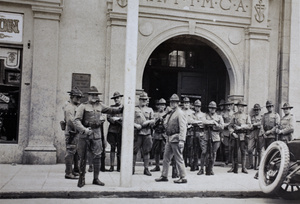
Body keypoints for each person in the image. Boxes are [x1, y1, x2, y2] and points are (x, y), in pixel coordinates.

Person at [74, 86, 123, 188]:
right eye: (92, 95)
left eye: (96, 95)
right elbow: (76, 121)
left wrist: (122, 107)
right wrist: (84, 130)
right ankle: (82, 178)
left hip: (96, 135)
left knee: (98, 156)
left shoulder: (100, 105)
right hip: (85, 135)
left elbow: (111, 110)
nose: (94, 97)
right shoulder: (83, 106)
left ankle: (96, 178)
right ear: (88, 96)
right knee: (83, 157)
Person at [155, 94, 188, 184]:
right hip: (169, 138)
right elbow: (167, 124)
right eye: (171, 102)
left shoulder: (180, 113)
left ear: (178, 103)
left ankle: (183, 176)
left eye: (175, 102)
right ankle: (164, 175)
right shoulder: (171, 113)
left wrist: (182, 140)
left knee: (178, 158)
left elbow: (183, 127)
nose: (173, 103)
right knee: (166, 158)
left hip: (176, 138)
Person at [63, 87, 83, 179]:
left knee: (75, 152)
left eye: (80, 97)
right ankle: (68, 172)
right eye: (77, 97)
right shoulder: (69, 108)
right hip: (72, 132)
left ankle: (75, 170)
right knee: (70, 152)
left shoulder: (75, 107)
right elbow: (71, 121)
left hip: (76, 132)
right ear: (71, 97)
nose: (79, 99)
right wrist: (80, 128)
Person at [133, 92, 155, 176]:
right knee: (134, 151)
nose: (144, 101)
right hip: (137, 133)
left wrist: (148, 122)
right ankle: (132, 168)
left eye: (145, 100)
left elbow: (153, 120)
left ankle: (146, 168)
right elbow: (129, 120)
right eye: (142, 99)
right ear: (139, 100)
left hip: (147, 133)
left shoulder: (150, 110)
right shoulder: (135, 109)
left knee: (146, 151)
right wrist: (135, 125)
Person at [228, 100, 252, 174]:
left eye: (242, 106)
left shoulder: (247, 116)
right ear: (237, 107)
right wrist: (232, 133)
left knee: (243, 151)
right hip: (236, 135)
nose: (240, 108)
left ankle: (243, 168)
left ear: (244, 108)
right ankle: (233, 167)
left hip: (243, 135)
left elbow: (250, 126)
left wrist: (241, 127)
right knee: (234, 151)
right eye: (239, 106)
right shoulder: (234, 115)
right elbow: (230, 126)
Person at [202, 101, 224, 175]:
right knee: (204, 152)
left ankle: (211, 168)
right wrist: (213, 122)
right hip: (207, 135)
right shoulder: (205, 115)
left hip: (216, 136)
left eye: (214, 108)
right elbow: (203, 121)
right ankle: (203, 168)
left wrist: (216, 125)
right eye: (211, 108)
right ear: (209, 108)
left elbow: (222, 126)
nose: (212, 109)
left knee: (213, 153)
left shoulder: (219, 117)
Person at [107, 91, 123, 172]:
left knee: (120, 149)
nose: (116, 99)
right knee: (112, 148)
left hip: (121, 130)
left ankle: (119, 166)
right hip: (112, 130)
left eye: (118, 98)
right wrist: (116, 121)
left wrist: (118, 119)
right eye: (115, 98)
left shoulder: (124, 107)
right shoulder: (111, 107)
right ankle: (112, 166)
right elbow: (109, 118)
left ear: (121, 98)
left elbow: (126, 117)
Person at [150, 98, 167, 172]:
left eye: (163, 105)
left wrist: (163, 121)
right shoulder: (155, 114)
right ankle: (157, 166)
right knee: (156, 151)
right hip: (157, 134)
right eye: (160, 105)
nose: (161, 107)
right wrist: (157, 120)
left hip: (164, 134)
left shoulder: (167, 115)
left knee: (165, 151)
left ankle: (165, 167)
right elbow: (152, 125)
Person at [247, 104, 264, 170]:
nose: (257, 111)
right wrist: (253, 125)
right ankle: (251, 164)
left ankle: (259, 165)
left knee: (260, 150)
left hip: (260, 133)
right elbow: (249, 125)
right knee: (249, 149)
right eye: (255, 110)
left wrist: (255, 124)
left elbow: (262, 124)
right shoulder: (252, 117)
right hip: (252, 133)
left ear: (260, 110)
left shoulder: (262, 117)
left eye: (258, 110)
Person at [191, 100, 206, 174]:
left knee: (203, 149)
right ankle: (195, 164)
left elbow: (203, 123)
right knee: (194, 149)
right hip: (194, 132)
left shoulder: (203, 115)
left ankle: (202, 166)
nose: (197, 107)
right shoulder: (192, 114)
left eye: (199, 106)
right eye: (196, 106)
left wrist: (196, 122)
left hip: (201, 132)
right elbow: (190, 121)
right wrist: (198, 122)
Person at [181, 97, 195, 169]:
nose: (186, 104)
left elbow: (194, 121)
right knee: (183, 148)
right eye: (185, 103)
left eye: (187, 103)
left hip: (190, 132)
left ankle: (190, 162)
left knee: (190, 147)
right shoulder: (181, 111)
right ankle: (184, 162)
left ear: (189, 104)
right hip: (183, 131)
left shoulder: (192, 112)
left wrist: (190, 125)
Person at [221, 100, 234, 166]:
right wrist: (227, 124)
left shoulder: (234, 114)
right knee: (226, 146)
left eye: (230, 105)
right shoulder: (223, 114)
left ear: (232, 106)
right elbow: (222, 123)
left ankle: (231, 160)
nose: (228, 106)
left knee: (232, 146)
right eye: (227, 105)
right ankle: (226, 160)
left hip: (232, 132)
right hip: (225, 131)